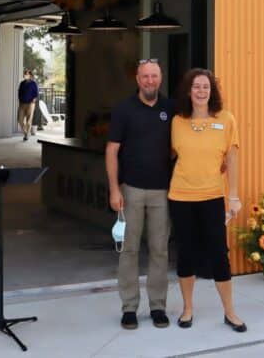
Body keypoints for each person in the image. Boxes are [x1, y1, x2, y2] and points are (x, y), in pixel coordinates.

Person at [168, 68, 246, 332]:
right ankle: (188, 309)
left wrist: (233, 195)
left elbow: (232, 159)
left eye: (206, 87)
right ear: (188, 91)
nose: (201, 91)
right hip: (180, 196)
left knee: (218, 255)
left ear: (212, 91)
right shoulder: (177, 121)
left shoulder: (226, 120)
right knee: (185, 253)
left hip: (212, 196)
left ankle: (230, 311)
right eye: (196, 87)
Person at [106, 59, 173, 330]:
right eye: (145, 76)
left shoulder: (171, 108)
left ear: (161, 77)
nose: (150, 81)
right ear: (137, 79)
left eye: (154, 76)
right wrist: (113, 189)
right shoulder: (124, 110)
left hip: (162, 192)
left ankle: (158, 306)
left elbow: (182, 144)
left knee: (160, 251)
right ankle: (129, 308)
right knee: (129, 250)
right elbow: (112, 150)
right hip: (130, 190)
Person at [17, 69, 39, 140]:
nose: (25, 75)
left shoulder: (33, 83)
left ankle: (26, 136)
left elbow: (36, 94)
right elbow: (19, 93)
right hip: (22, 104)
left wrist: (33, 100)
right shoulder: (22, 83)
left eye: (27, 74)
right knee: (20, 120)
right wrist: (20, 101)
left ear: (30, 75)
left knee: (28, 121)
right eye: (25, 74)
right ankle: (25, 132)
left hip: (30, 104)